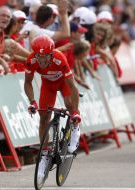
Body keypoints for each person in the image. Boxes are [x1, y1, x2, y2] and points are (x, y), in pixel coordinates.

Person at [24, 35, 81, 180]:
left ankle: (75, 128)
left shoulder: (59, 58)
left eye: (45, 57)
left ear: (51, 54)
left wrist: (75, 112)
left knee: (69, 104)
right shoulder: (31, 60)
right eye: (39, 57)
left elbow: (73, 87)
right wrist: (32, 101)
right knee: (44, 118)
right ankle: (44, 154)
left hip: (63, 83)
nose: (42, 61)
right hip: (47, 86)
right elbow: (28, 83)